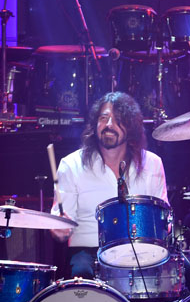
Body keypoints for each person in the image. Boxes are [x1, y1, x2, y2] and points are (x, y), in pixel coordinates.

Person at [50, 91, 168, 278]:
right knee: (81, 272)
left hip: (142, 250)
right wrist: (59, 229)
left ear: (131, 127)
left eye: (118, 119)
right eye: (103, 118)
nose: (109, 125)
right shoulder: (71, 165)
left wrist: (165, 227)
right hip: (89, 251)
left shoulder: (152, 163)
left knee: (189, 273)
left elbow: (163, 217)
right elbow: (61, 222)